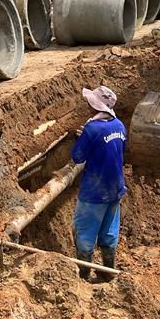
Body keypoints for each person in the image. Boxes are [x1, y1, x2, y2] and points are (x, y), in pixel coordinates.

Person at [69, 85, 127, 281]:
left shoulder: (92, 128)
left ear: (96, 105)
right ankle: (108, 272)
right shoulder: (119, 125)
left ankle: (84, 277)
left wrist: (81, 139)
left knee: (84, 235)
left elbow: (78, 157)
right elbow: (109, 148)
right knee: (109, 233)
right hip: (115, 189)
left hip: (94, 193)